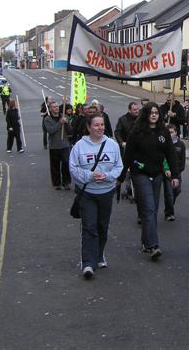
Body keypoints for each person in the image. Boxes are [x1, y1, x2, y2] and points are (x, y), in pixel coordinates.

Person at [69, 113, 123, 279]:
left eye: (102, 125)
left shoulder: (112, 145)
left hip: (106, 192)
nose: (100, 128)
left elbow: (118, 166)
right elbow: (73, 168)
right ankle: (88, 263)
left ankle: (99, 255)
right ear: (88, 127)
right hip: (88, 193)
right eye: (96, 125)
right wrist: (90, 176)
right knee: (89, 226)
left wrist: (107, 176)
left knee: (102, 226)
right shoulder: (79, 146)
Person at [123, 102, 177, 260]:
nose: (154, 115)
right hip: (140, 173)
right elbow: (128, 156)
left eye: (156, 113)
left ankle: (146, 242)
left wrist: (174, 175)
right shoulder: (136, 132)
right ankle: (154, 245)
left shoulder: (164, 132)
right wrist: (120, 178)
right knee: (148, 207)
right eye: (151, 112)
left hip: (157, 174)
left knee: (152, 209)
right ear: (145, 114)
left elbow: (170, 154)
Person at [44, 101, 72, 190]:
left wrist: (66, 123)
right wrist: (60, 123)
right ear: (50, 109)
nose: (56, 108)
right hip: (54, 145)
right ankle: (57, 183)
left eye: (57, 106)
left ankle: (66, 182)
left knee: (66, 164)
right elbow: (51, 131)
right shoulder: (47, 119)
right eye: (54, 107)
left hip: (65, 145)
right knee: (55, 166)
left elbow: (70, 131)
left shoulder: (64, 116)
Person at [163, 124, 186, 221]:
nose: (170, 134)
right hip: (167, 173)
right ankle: (169, 213)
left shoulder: (181, 145)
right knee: (169, 193)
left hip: (177, 172)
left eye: (172, 132)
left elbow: (182, 159)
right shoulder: (164, 144)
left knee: (177, 191)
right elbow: (162, 158)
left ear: (176, 132)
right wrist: (165, 170)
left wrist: (179, 170)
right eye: (168, 133)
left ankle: (170, 205)